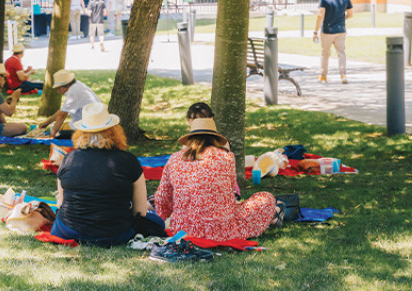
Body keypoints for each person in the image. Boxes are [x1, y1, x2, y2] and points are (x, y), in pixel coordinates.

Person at [50, 103, 164, 247]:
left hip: (68, 230)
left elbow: (60, 203)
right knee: (157, 222)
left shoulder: (69, 159)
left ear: (81, 132)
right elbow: (139, 211)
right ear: (114, 131)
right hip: (113, 234)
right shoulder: (128, 161)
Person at [154, 118, 284, 241]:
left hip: (182, 229)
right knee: (266, 198)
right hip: (221, 230)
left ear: (190, 139)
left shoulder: (174, 159)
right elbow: (230, 193)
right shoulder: (227, 157)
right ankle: (274, 215)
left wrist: (163, 219)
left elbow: (161, 197)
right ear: (215, 139)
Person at [313, 0, 353, 84]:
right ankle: (343, 75)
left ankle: (323, 76)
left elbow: (320, 15)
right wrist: (341, 19)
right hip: (340, 30)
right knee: (341, 53)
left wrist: (315, 32)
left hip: (327, 30)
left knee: (325, 54)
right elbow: (350, 14)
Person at [38, 70, 100, 139]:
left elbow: (62, 116)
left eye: (59, 88)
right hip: (96, 122)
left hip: (88, 127)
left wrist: (52, 135)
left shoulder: (72, 92)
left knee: (55, 129)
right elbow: (63, 110)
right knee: (54, 126)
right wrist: (46, 123)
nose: (58, 91)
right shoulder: (77, 85)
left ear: (66, 86)